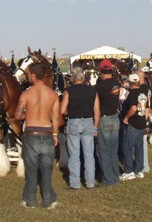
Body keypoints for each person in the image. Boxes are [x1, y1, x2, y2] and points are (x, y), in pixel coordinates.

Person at [15, 63, 61, 209]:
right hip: (47, 132)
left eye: (29, 74)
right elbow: (56, 118)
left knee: (31, 170)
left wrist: (27, 114)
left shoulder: (26, 94)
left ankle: (30, 200)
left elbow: (17, 115)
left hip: (31, 133)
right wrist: (55, 134)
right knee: (47, 170)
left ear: (34, 75)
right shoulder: (53, 95)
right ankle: (48, 199)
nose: (28, 76)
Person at [60, 67, 100, 190]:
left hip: (74, 121)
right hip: (88, 121)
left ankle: (75, 183)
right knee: (89, 154)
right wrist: (95, 126)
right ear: (83, 78)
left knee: (74, 154)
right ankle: (90, 182)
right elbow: (97, 110)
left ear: (72, 78)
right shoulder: (92, 91)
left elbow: (62, 110)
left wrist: (69, 111)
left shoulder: (68, 91)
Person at [94, 59, 121, 186]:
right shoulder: (116, 83)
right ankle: (115, 177)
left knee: (103, 150)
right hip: (115, 118)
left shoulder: (100, 87)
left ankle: (107, 179)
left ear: (101, 71)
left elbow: (96, 104)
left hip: (104, 119)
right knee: (113, 150)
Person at [120, 73, 149, 181]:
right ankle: (139, 170)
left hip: (133, 123)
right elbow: (147, 109)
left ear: (131, 83)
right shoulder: (143, 93)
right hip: (141, 123)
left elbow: (133, 108)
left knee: (127, 147)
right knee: (139, 148)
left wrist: (126, 118)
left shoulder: (132, 94)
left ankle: (129, 171)